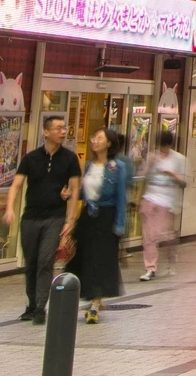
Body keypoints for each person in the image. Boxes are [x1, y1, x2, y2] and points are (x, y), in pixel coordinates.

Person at [5, 112, 81, 324]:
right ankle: (31, 304)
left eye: (64, 128)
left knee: (45, 260)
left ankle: (40, 307)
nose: (63, 132)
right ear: (46, 132)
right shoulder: (31, 158)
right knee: (31, 263)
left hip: (54, 217)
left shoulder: (69, 158)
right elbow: (17, 184)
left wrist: (70, 220)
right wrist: (10, 208)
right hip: (30, 217)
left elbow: (75, 189)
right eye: (58, 128)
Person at [75, 128, 131, 325]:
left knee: (101, 261)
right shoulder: (89, 165)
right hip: (88, 217)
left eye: (99, 138)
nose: (95, 141)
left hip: (106, 217)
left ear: (109, 143)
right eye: (94, 137)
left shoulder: (118, 168)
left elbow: (121, 198)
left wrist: (119, 225)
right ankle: (88, 295)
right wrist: (71, 193)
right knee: (85, 259)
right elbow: (83, 192)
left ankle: (95, 304)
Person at [137, 128, 188, 282]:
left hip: (167, 202)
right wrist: (149, 165)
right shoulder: (152, 157)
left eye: (165, 147)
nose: (162, 150)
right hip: (150, 199)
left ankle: (171, 258)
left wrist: (172, 174)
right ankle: (150, 268)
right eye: (160, 147)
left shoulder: (178, 159)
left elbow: (184, 182)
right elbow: (142, 176)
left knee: (166, 236)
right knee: (149, 237)